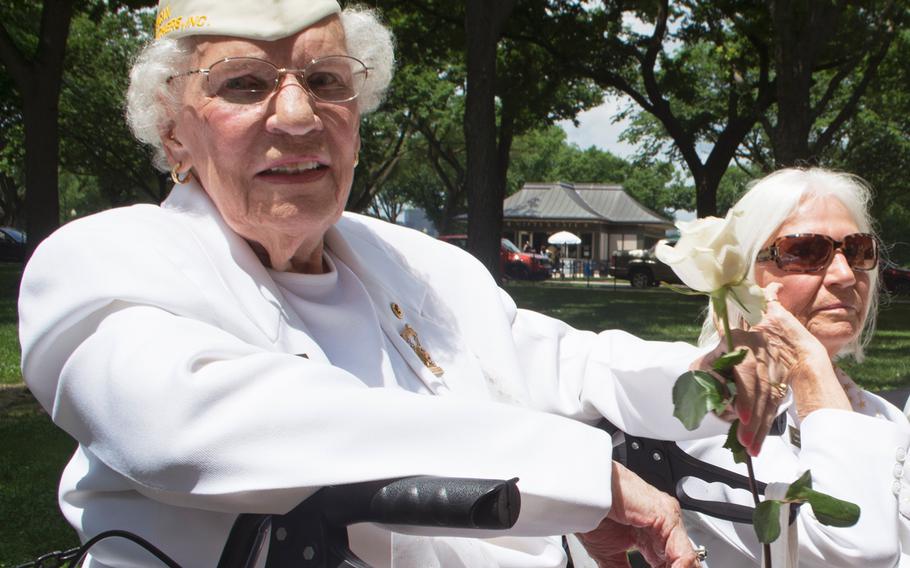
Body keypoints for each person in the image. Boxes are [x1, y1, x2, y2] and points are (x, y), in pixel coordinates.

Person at [18, 1, 785, 566]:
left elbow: (556, 359)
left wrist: (710, 377)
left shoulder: (419, 261)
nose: (296, 115)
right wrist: (578, 475)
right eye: (245, 85)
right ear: (171, 127)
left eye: (325, 80)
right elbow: (181, 431)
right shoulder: (101, 259)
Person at [678, 168, 910, 566]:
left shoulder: (884, 414)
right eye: (804, 251)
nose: (844, 274)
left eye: (856, 250)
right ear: (740, 272)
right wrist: (806, 365)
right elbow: (850, 552)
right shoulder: (708, 415)